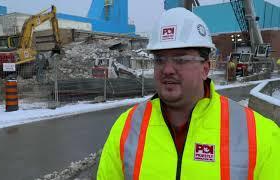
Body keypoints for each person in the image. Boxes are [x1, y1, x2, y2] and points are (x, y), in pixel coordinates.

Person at [97, 8, 280, 180]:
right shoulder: (127, 128)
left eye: (181, 59)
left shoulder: (259, 135)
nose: (167, 69)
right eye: (160, 60)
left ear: (205, 69)